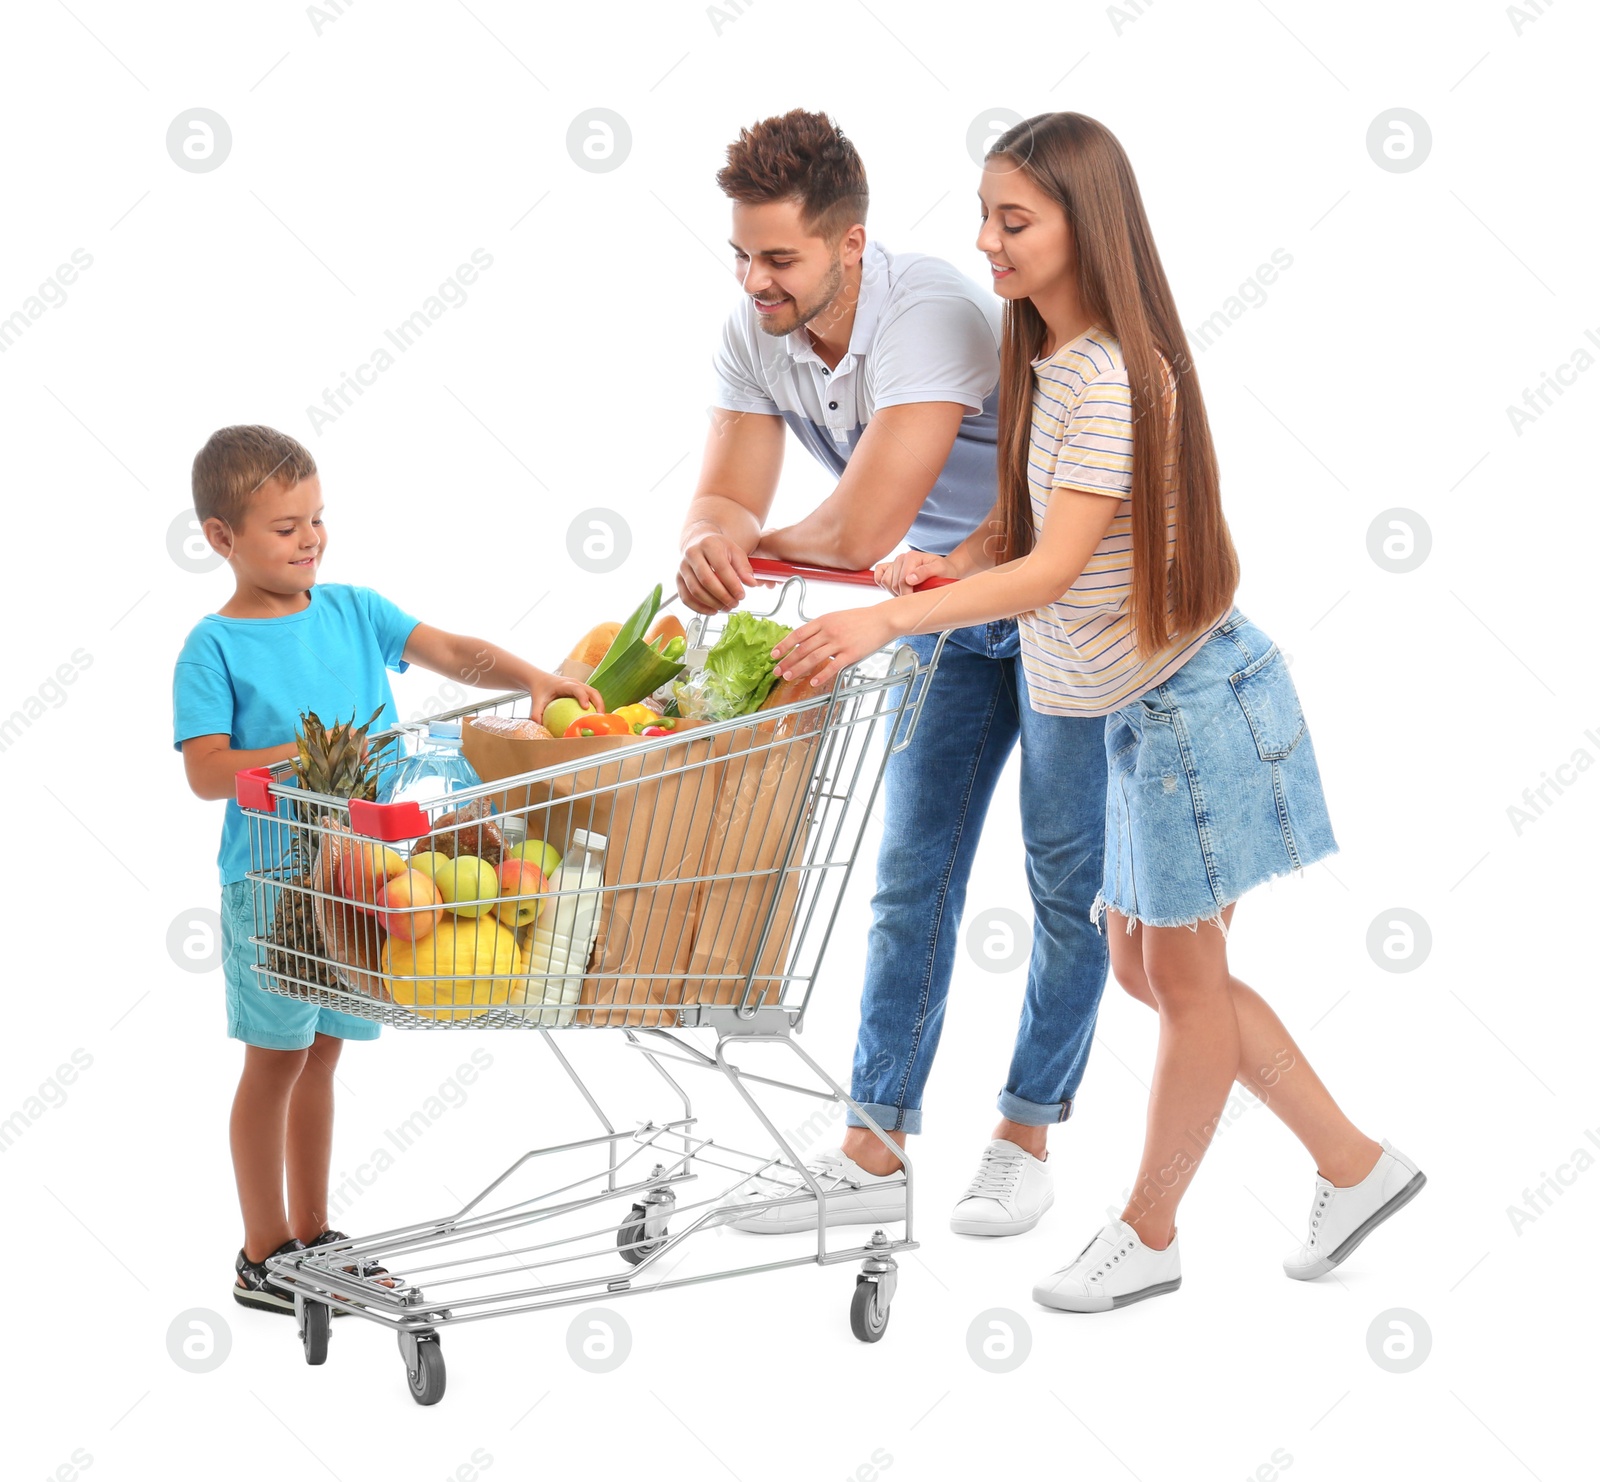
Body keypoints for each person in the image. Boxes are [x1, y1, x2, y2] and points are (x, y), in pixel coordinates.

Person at [769, 113, 1425, 1310]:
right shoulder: (1056, 370)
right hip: (1143, 719)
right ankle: (1351, 1163)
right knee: (1150, 966)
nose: (987, 243)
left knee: (1174, 979)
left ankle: (1149, 1230)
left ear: (1087, 224)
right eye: (983, 216)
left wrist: (890, 619)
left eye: (1014, 220)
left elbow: (1057, 572)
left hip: (1190, 710)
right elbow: (1027, 532)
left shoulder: (1112, 376)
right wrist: (944, 561)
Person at [680, 108, 1111, 1239]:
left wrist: (749, 551)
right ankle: (874, 1148)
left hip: (1054, 605)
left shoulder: (931, 314)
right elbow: (725, 495)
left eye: (779, 258)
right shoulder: (754, 329)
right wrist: (709, 539)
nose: (754, 280)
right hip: (933, 603)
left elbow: (861, 522)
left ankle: (1025, 1137)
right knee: (909, 876)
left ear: (850, 244)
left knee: (1064, 884)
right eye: (741, 253)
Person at [173, 425, 598, 1312]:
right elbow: (207, 769)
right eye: (286, 527)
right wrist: (321, 749)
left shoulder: (354, 610)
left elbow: (450, 652)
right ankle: (262, 1251)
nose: (310, 539)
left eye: (317, 518)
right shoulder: (212, 647)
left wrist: (531, 676)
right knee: (274, 1061)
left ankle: (315, 1232)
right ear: (222, 538)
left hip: (372, 874)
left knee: (326, 1054)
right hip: (278, 887)